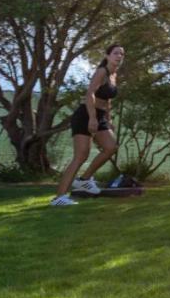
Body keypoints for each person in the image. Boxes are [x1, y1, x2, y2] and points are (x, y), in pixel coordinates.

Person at [50, 44, 125, 207]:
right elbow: (90, 93)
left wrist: (108, 119)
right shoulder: (102, 71)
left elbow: (107, 99)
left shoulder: (113, 75)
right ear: (107, 56)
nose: (119, 56)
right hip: (86, 114)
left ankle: (84, 180)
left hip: (100, 116)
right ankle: (59, 198)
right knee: (81, 156)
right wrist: (92, 118)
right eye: (115, 53)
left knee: (111, 147)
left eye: (121, 54)